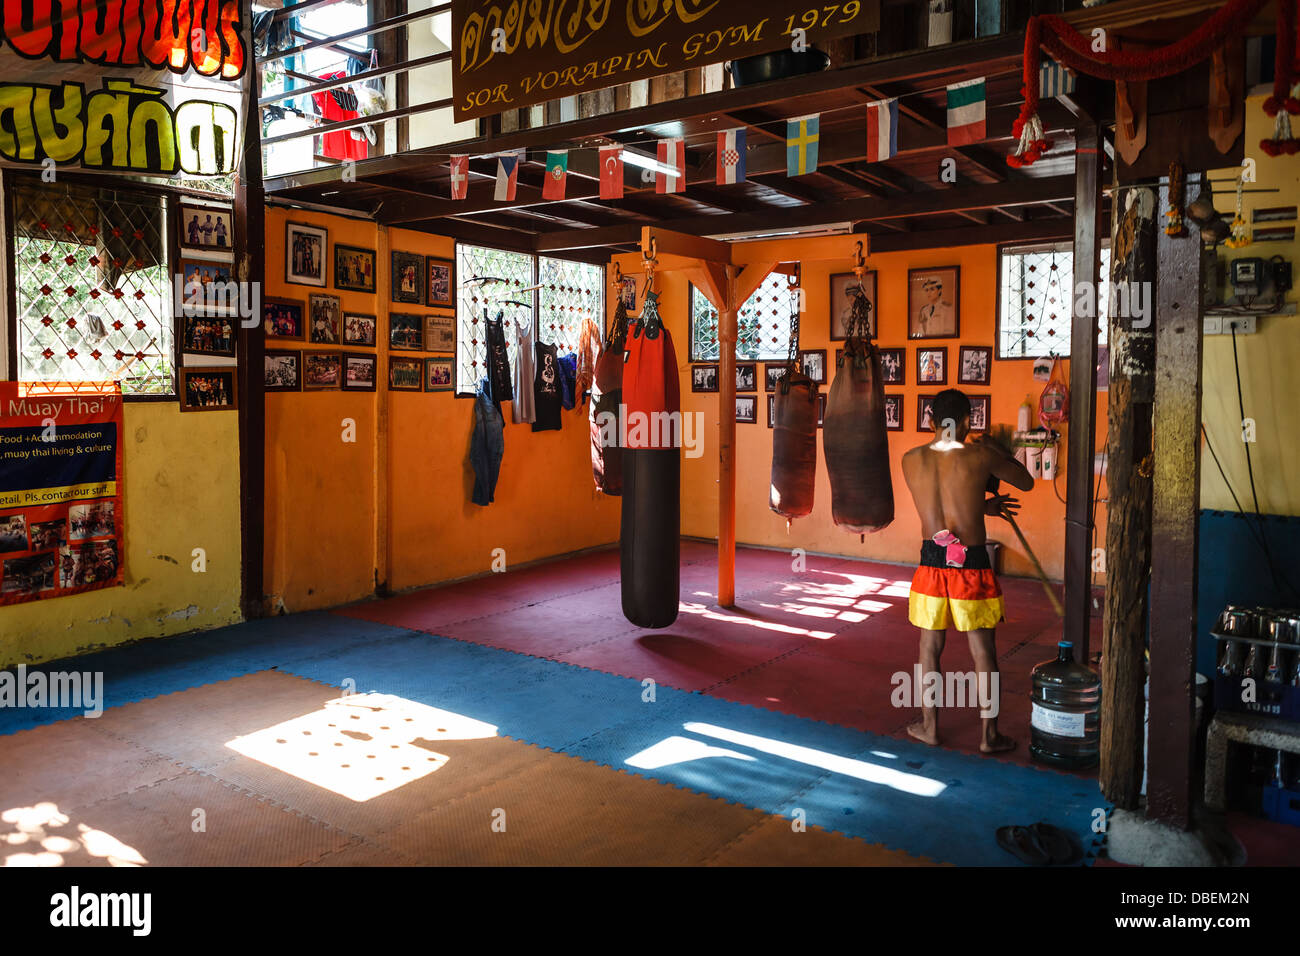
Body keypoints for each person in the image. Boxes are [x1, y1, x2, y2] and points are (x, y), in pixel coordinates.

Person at [900, 388, 1033, 754]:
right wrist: (999, 451)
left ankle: (930, 728)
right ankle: (989, 737)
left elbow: (944, 499)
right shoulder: (980, 455)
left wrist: (982, 504)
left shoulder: (910, 459)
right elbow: (1026, 481)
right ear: (966, 422)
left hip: (932, 561)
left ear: (930, 421)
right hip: (970, 563)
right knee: (983, 652)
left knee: (929, 648)